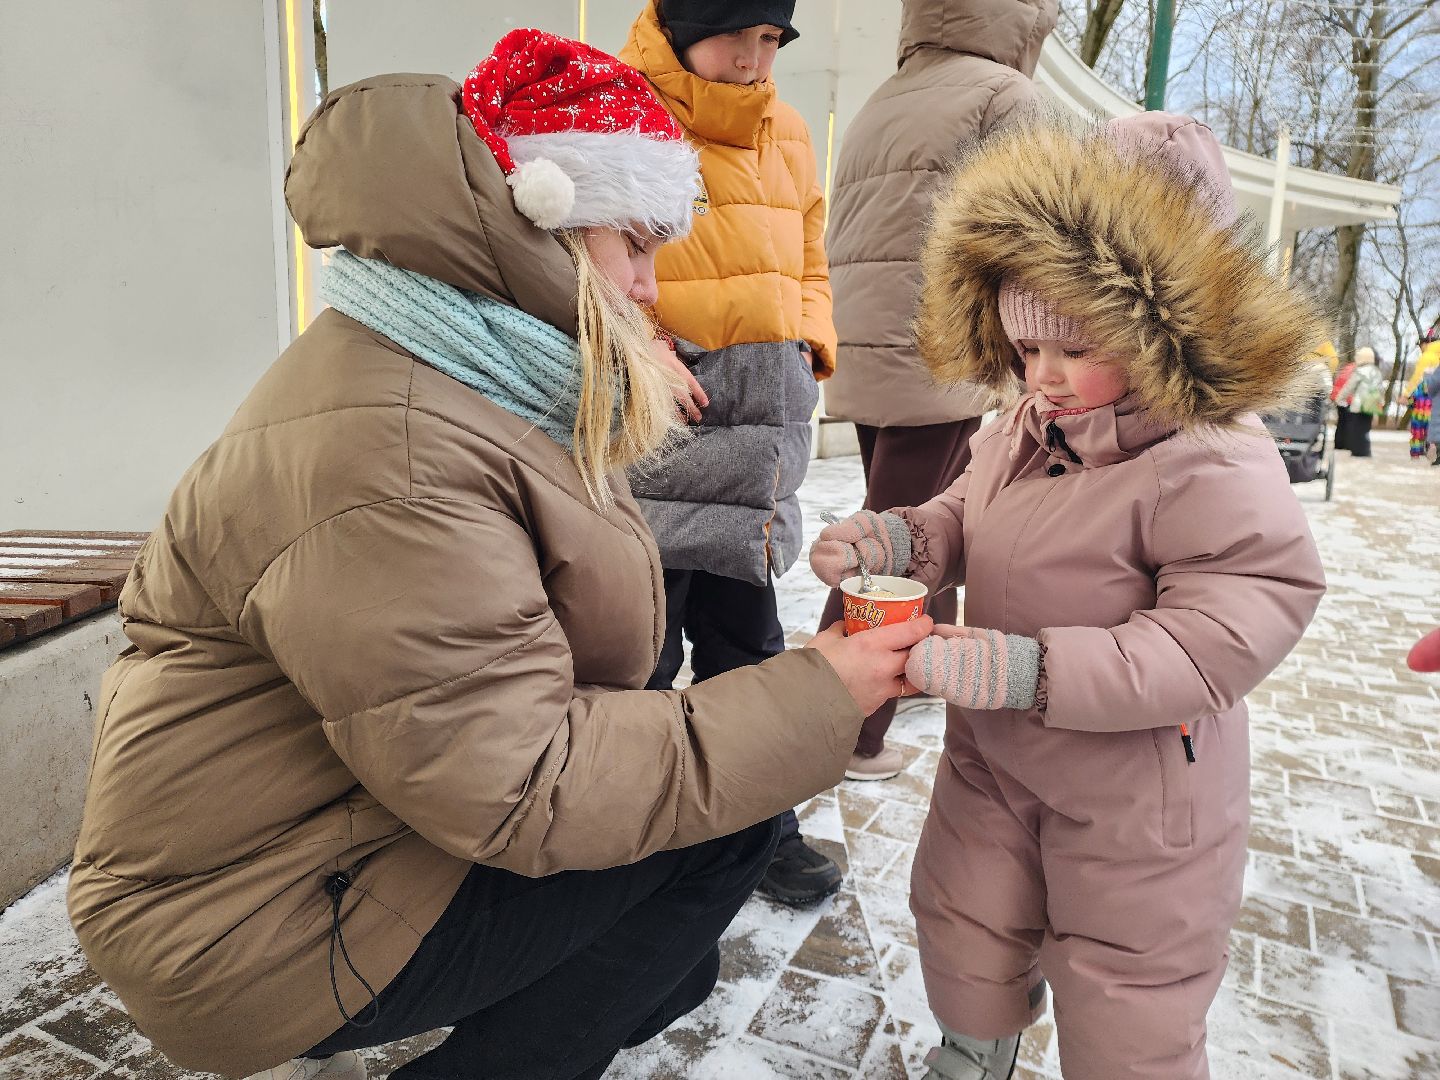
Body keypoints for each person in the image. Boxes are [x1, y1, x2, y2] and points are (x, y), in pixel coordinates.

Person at [66, 32, 931, 1080]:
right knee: (724, 831)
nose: (654, 292)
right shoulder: (393, 455)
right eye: (636, 248)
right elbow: (525, 784)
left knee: (673, 972)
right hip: (246, 923)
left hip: (329, 831)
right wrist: (814, 696)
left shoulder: (462, 370)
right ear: (548, 222)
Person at [810, 112, 1327, 1079]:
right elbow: (966, 514)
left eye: (1070, 350)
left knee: (1129, 979)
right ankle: (975, 1047)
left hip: (1137, 793)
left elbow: (1219, 630)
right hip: (993, 762)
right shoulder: (1021, 426)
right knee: (963, 912)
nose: (1041, 378)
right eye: (1021, 350)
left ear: (1156, 332)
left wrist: (1029, 668)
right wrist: (900, 539)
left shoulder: (1210, 459)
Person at [618, 0, 845, 905]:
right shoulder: (618, 109)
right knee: (639, 646)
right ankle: (631, 832)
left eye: (771, 40)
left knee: (748, 641)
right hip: (656, 415)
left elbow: (812, 258)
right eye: (737, 35)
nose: (755, 59)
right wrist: (641, 351)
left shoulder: (787, 131)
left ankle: (757, 827)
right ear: (680, 22)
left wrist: (806, 349)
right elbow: (571, 253)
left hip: (760, 419)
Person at [817, 0, 1058, 782]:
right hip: (937, 350)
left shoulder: (890, 94)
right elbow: (1030, 233)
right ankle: (839, 730)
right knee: (898, 549)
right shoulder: (1003, 96)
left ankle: (912, 674)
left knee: (908, 515)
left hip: (866, 344)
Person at [1334, 345, 1384, 456]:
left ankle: (1357, 450)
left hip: (1359, 405)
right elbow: (1380, 389)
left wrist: (1339, 398)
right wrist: (1380, 403)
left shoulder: (1360, 371)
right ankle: (1365, 450)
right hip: (1371, 405)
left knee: (1356, 428)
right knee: (1365, 429)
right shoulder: (1377, 372)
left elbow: (1349, 387)